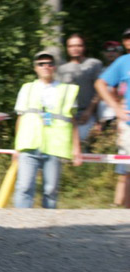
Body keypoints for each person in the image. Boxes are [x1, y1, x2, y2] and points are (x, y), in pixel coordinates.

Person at [13, 51, 82, 208]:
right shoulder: (27, 88)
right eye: (41, 64)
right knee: (24, 187)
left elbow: (72, 121)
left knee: (50, 190)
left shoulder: (67, 90)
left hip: (54, 146)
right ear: (35, 68)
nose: (46, 66)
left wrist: (76, 149)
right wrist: (17, 147)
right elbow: (20, 118)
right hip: (29, 143)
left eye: (49, 63)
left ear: (54, 67)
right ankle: (19, 226)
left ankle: (49, 228)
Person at [95, 29, 130, 208]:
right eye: (127, 38)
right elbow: (100, 84)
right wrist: (116, 107)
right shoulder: (122, 62)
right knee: (127, 172)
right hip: (129, 124)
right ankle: (124, 216)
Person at [56, 33, 103, 143]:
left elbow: (100, 90)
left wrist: (90, 111)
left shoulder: (94, 64)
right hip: (67, 115)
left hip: (87, 114)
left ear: (84, 47)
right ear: (67, 48)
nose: (75, 49)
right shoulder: (61, 69)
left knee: (84, 146)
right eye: (71, 46)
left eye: (78, 45)